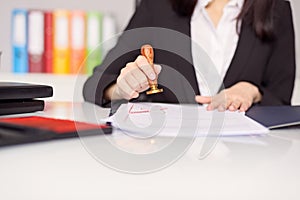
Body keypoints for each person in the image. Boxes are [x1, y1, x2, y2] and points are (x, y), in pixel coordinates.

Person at [83, 0, 296, 112]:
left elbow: (281, 102)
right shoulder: (158, 6)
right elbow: (94, 84)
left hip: (246, 163)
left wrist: (252, 91)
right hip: (169, 160)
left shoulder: (277, 9)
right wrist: (120, 89)